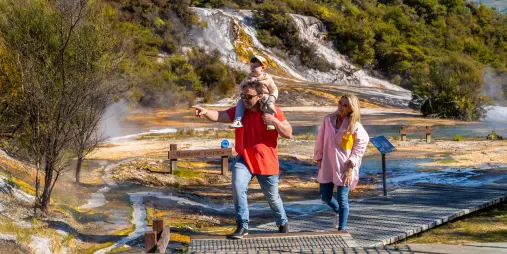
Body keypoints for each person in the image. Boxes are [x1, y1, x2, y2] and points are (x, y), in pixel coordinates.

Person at [193, 80, 292, 239]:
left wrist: (274, 121)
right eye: (243, 96)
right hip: (244, 159)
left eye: (249, 96)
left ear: (260, 97)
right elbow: (220, 115)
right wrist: (205, 112)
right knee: (238, 186)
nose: (245, 99)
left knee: (272, 197)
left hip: (266, 162)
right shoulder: (240, 111)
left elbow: (288, 133)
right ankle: (242, 225)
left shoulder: (273, 111)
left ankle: (282, 223)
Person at [313, 94, 369, 231]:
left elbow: (360, 146)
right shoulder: (328, 120)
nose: (341, 107)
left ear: (351, 109)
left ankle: (341, 229)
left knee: (343, 199)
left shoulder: (355, 126)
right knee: (325, 197)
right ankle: (338, 211)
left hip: (345, 167)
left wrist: (351, 167)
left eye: (345, 105)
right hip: (327, 164)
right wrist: (318, 158)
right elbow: (320, 140)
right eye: (340, 103)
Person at [230, 55, 278, 130]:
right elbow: (241, 86)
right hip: (251, 98)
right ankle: (238, 120)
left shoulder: (267, 78)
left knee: (268, 103)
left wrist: (273, 97)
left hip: (263, 97)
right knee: (240, 102)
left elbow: (274, 89)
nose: (252, 68)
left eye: (255, 66)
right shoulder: (248, 78)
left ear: (262, 68)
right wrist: (242, 95)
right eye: (251, 66)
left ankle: (270, 122)